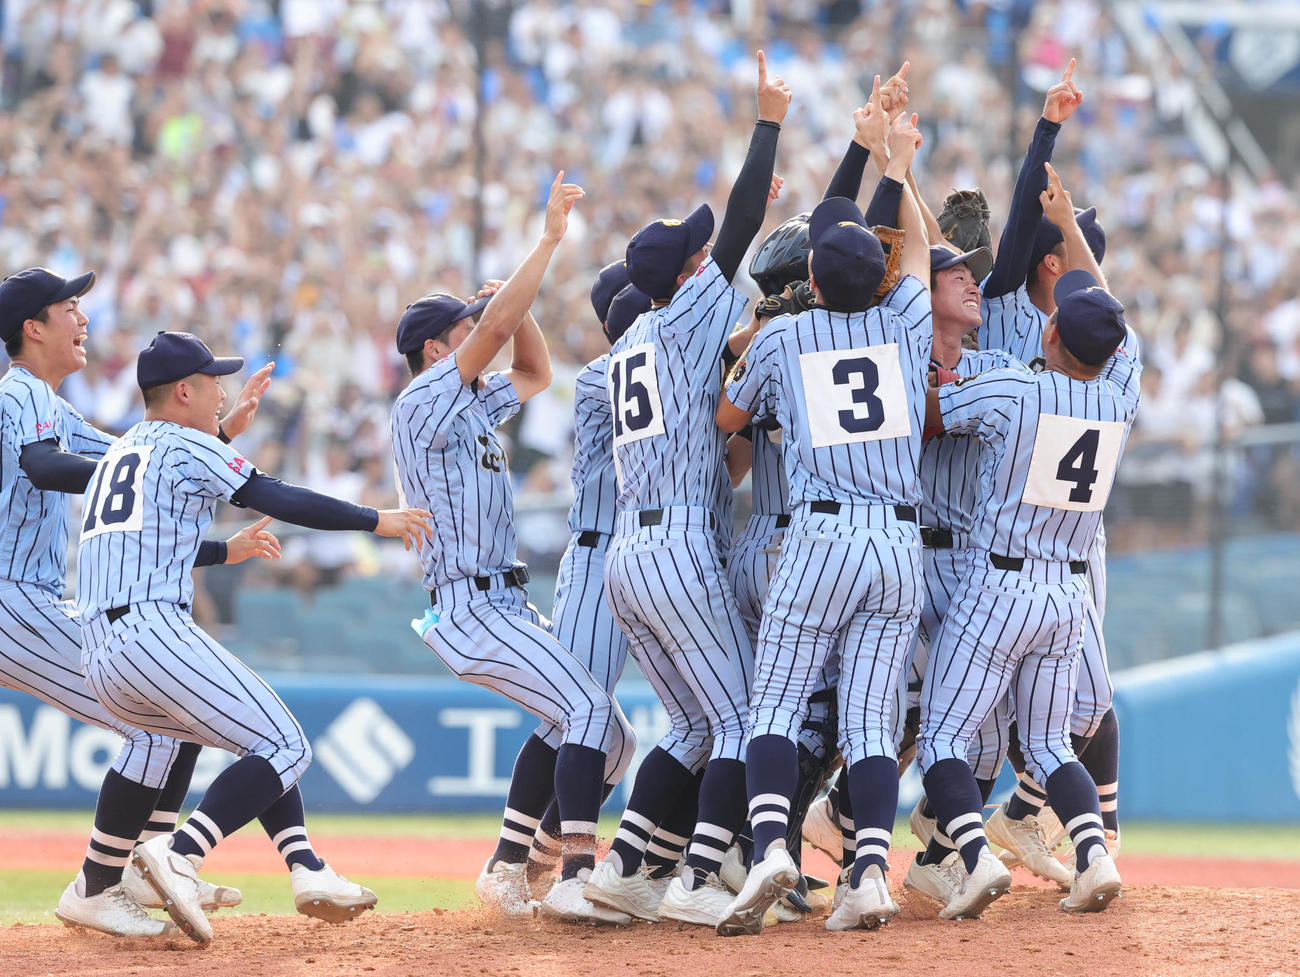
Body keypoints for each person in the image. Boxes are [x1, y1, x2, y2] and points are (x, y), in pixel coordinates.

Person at [79, 330, 432, 945]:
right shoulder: (188, 443)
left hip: (102, 649)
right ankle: (178, 855)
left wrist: (221, 548)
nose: (223, 390)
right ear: (183, 390)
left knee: (245, 742)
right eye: (213, 380)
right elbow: (275, 496)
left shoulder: (123, 449)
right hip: (152, 631)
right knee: (286, 744)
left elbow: (148, 537)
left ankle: (306, 869)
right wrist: (375, 518)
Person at [581, 50, 791, 929]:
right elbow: (740, 225)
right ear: (683, 275)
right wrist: (768, 124)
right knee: (743, 719)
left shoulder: (626, 348)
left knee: (693, 727)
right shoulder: (683, 313)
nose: (712, 253)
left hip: (631, 552)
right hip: (676, 548)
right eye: (699, 253)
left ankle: (625, 864)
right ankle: (701, 877)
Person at [714, 98, 934, 936]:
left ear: (811, 280)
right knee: (872, 716)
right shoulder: (905, 321)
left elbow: (729, 423)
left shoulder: (783, 340)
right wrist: (898, 167)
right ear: (870, 278)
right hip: (895, 537)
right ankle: (870, 871)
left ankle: (770, 844)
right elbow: (913, 250)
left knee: (775, 703)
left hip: (817, 533)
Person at [391, 175, 633, 926]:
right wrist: (549, 240)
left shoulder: (468, 402)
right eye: (462, 329)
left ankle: (511, 865)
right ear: (436, 348)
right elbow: (497, 336)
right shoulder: (425, 399)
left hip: (504, 600)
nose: (475, 333)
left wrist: (515, 308)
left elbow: (532, 370)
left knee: (608, 735)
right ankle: (574, 873)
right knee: (589, 709)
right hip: (468, 603)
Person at [0, 267, 266, 937]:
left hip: (33, 600)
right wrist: (189, 452)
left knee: (167, 714)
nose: (82, 316)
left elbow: (133, 463)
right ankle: (99, 882)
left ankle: (144, 870)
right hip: (11, 601)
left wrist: (216, 437)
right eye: (69, 306)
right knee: (156, 714)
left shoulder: (51, 404)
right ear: (33, 327)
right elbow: (50, 467)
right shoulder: (19, 391)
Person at [914, 257, 1141, 918]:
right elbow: (1119, 340)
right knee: (1046, 744)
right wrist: (1075, 232)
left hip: (998, 584)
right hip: (1067, 596)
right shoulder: (1120, 396)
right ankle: (1094, 857)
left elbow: (928, 412)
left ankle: (976, 859)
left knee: (944, 738)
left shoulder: (1016, 388)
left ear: (1048, 336)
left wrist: (942, 375)